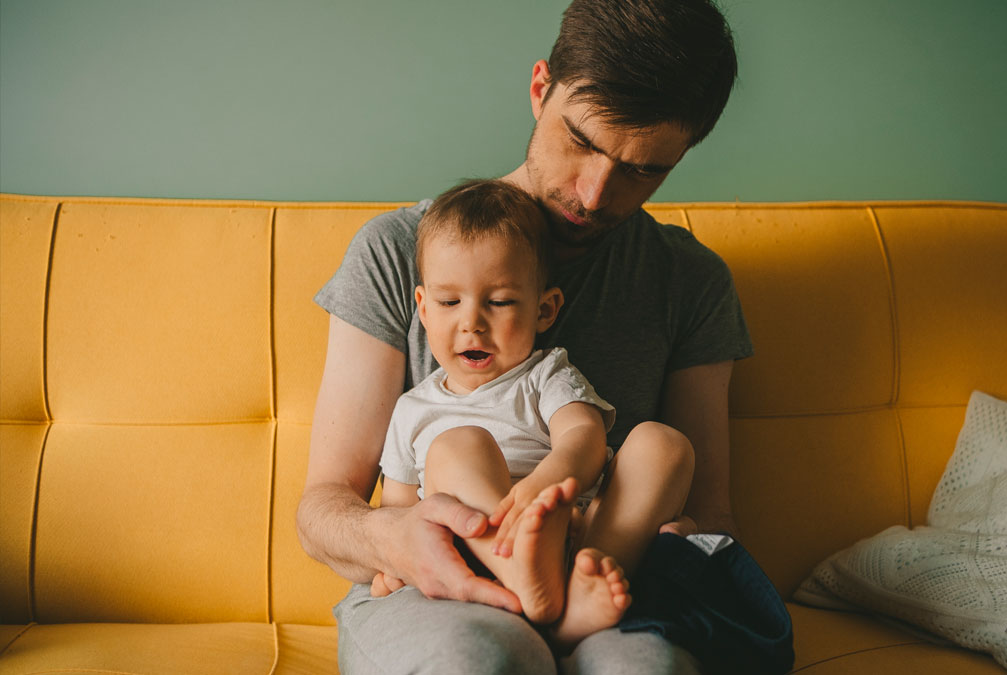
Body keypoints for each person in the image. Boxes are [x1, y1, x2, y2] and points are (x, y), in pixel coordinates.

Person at [297, 0, 750, 672]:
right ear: (541, 89)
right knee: (479, 657)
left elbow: (710, 512)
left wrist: (671, 539)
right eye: (583, 142)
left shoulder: (691, 281)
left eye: (642, 169)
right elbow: (323, 508)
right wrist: (390, 539)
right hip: (443, 586)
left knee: (645, 669)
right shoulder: (395, 253)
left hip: (602, 573)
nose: (594, 194)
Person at [374, 178, 695, 653]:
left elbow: (583, 435)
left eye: (499, 302)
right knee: (459, 444)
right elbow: (399, 512)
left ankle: (583, 579)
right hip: (479, 553)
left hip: (574, 532)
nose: (471, 322)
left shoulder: (546, 373)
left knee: (664, 444)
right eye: (449, 302)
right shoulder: (414, 409)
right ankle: (525, 576)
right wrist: (393, 570)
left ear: (545, 310)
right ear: (422, 309)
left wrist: (546, 484)